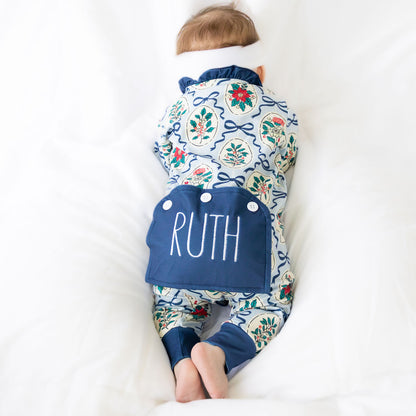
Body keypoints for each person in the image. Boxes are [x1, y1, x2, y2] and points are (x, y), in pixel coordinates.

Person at [145, 4, 298, 402]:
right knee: (269, 305)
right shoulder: (276, 109)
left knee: (172, 307)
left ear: (186, 78)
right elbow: (287, 154)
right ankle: (218, 352)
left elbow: (163, 151)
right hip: (246, 236)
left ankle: (182, 359)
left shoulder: (175, 111)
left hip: (182, 238)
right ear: (259, 72)